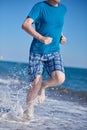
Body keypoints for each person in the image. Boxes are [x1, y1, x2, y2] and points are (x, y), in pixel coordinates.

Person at [22, 0, 67, 119]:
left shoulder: (63, 9)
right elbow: (25, 24)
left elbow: (56, 25)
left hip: (54, 50)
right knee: (35, 83)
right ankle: (28, 113)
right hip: (37, 51)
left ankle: (43, 86)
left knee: (59, 78)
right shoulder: (40, 7)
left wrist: (62, 36)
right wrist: (41, 38)